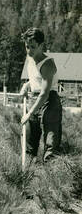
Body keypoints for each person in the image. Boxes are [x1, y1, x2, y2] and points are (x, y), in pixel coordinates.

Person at [20, 27, 62, 163]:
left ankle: (51, 177)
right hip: (33, 98)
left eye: (33, 47)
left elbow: (44, 93)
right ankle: (29, 173)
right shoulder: (30, 59)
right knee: (30, 140)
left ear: (41, 45)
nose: (29, 50)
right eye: (27, 47)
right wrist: (26, 85)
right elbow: (35, 79)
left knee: (51, 143)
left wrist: (29, 113)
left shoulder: (47, 64)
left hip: (49, 102)